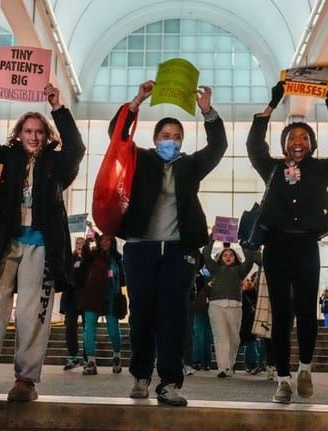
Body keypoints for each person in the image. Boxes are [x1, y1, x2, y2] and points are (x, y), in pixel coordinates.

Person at [0, 75, 86, 424]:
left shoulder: (58, 164)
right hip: (6, 242)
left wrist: (58, 107)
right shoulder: (7, 157)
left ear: (46, 136)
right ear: (19, 133)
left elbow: (76, 148)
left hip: (42, 246)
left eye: (39, 132)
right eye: (28, 131)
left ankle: (26, 379)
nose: (33, 136)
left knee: (34, 314)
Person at [108, 80, 227, 406]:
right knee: (142, 314)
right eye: (165, 136)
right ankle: (141, 376)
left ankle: (170, 383)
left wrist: (208, 112)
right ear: (155, 139)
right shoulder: (140, 159)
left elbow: (217, 148)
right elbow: (116, 137)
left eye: (176, 137)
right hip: (141, 248)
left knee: (173, 317)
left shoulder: (190, 166)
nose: (171, 142)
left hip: (179, 251)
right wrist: (135, 103)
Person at [245, 81, 328, 403]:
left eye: (304, 138)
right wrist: (270, 106)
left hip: (307, 246)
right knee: (280, 314)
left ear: (311, 144)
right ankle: (282, 379)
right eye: (292, 137)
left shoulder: (320, 170)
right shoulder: (274, 169)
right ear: (285, 144)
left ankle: (305, 369)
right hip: (276, 247)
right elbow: (254, 147)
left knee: (307, 310)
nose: (298, 142)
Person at [201, 239, 261, 378]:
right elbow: (206, 253)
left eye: (231, 255)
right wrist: (212, 238)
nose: (228, 257)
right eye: (225, 255)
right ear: (220, 257)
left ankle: (229, 364)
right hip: (216, 305)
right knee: (220, 336)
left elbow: (250, 259)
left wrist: (242, 242)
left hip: (235, 306)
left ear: (236, 257)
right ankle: (223, 368)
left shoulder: (240, 270)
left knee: (234, 338)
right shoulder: (215, 269)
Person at [77, 224, 125, 375]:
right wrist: (87, 241)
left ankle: (117, 355)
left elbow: (122, 279)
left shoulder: (117, 258)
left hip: (111, 297)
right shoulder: (92, 255)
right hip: (92, 296)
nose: (105, 242)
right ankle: (90, 361)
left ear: (112, 242)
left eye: (108, 239)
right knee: (89, 329)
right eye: (102, 239)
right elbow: (84, 255)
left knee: (113, 329)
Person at [61, 235, 88, 370]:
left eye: (82, 243)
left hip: (85, 298)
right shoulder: (69, 259)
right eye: (77, 243)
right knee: (70, 328)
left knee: (87, 328)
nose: (79, 245)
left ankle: (87, 357)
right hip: (71, 298)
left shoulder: (89, 259)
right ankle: (73, 356)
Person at [191, 264, 213, 371]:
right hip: (200, 306)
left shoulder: (206, 272)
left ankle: (204, 361)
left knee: (206, 334)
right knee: (200, 333)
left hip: (209, 306)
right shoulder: (199, 273)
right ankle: (199, 360)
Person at [240, 272, 262, 374]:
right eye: (246, 280)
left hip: (251, 321)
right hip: (243, 322)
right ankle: (250, 364)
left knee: (251, 342)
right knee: (249, 342)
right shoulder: (241, 295)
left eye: (250, 280)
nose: (248, 282)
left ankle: (252, 363)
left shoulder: (255, 294)